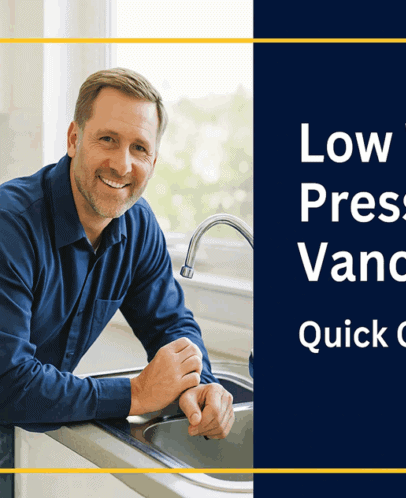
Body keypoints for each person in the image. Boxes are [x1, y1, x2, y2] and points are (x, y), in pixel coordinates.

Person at [0, 68, 234, 439]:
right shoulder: (9, 225)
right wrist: (136, 394)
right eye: (107, 139)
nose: (122, 165)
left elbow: (169, 325)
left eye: (139, 148)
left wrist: (200, 386)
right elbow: (8, 383)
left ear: (153, 163)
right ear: (74, 139)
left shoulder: (138, 226)